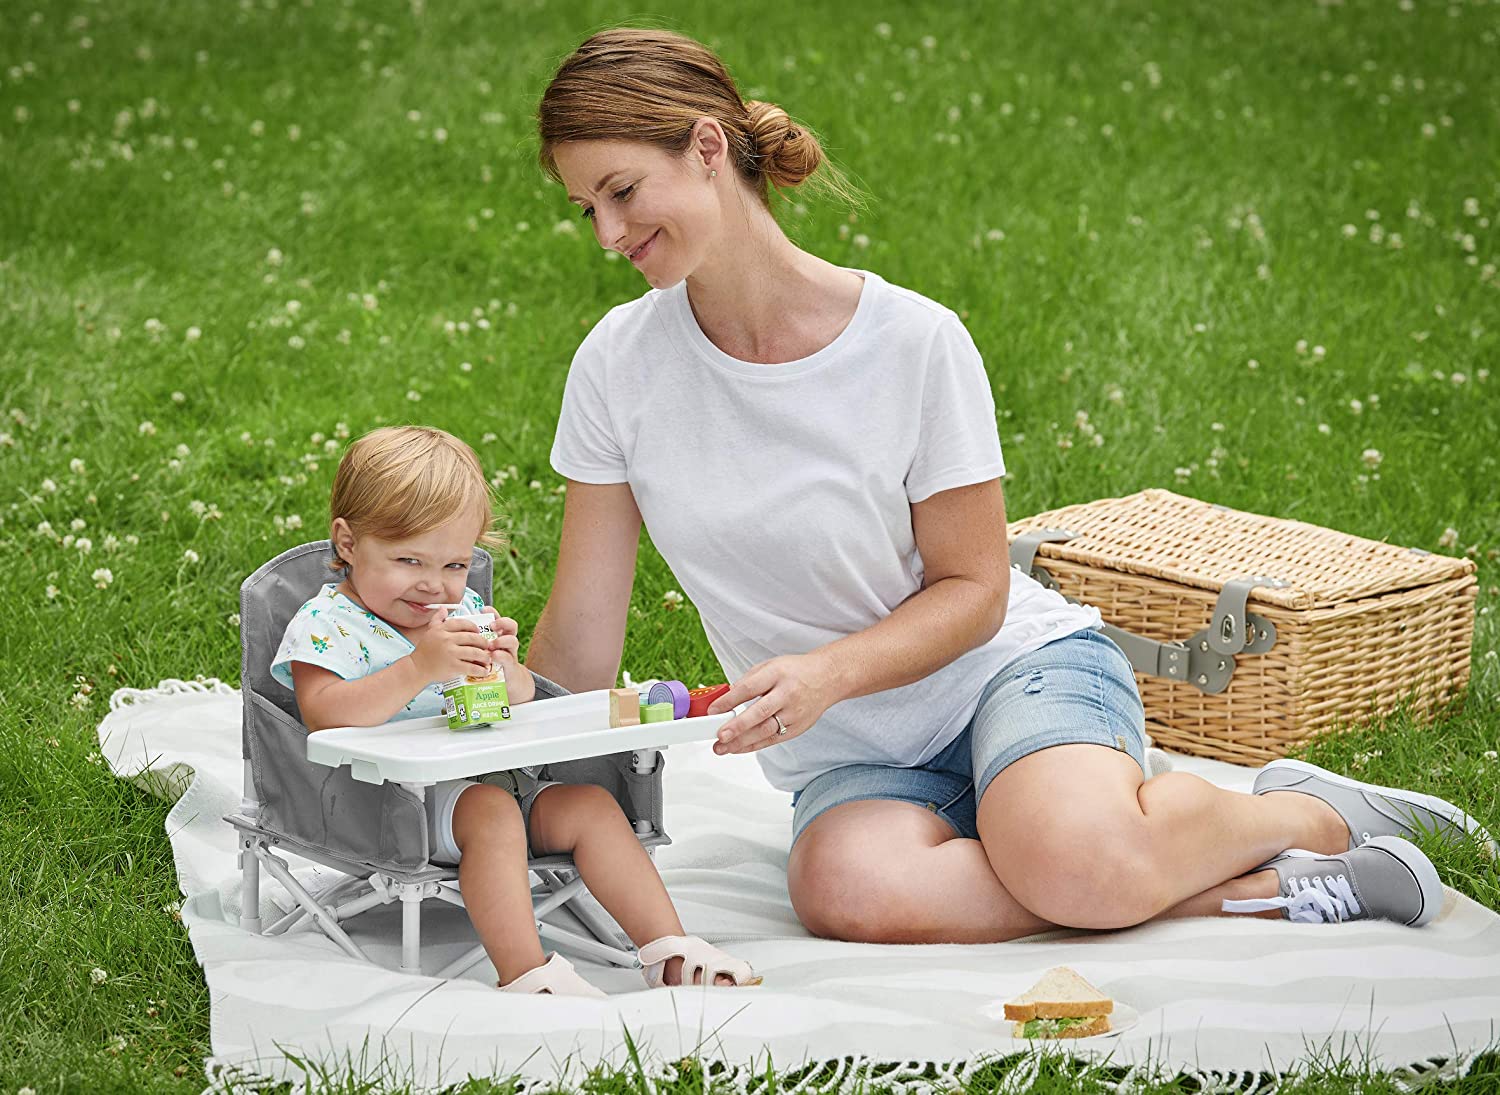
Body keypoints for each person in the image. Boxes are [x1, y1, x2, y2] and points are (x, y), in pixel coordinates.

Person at [524, 27, 1494, 944]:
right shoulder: (618, 367)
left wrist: (828, 674)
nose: (607, 233)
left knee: (1072, 857)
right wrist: (486, 742)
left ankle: (1303, 815)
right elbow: (582, 635)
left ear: (706, 148)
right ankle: (1221, 877)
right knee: (844, 892)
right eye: (585, 209)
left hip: (1007, 675)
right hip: (854, 753)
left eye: (621, 191)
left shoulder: (912, 343)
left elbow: (977, 591)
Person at [272, 425, 760, 994]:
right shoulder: (327, 625)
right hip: (390, 808)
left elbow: (522, 698)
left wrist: (507, 672)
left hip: (498, 780)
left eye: (455, 565)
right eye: (409, 560)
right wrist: (418, 668)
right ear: (347, 543)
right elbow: (322, 715)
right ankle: (526, 972)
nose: (434, 586)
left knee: (592, 807)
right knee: (492, 814)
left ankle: (667, 949)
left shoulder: (461, 611)